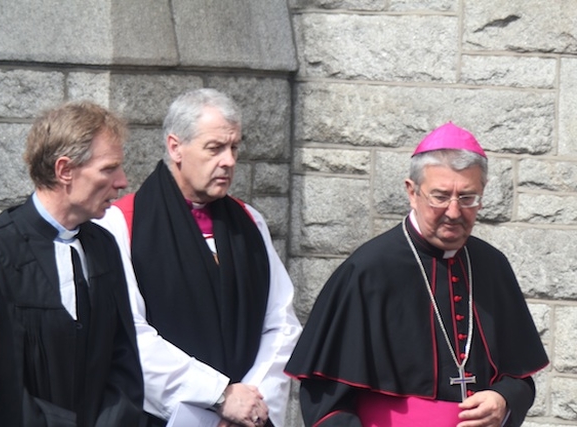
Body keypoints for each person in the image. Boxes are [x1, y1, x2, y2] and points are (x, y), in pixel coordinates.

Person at [284, 122, 549, 427]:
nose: (453, 211)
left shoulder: (493, 265)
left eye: (467, 198)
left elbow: (521, 378)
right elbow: (325, 403)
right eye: (439, 196)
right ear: (412, 192)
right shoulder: (367, 271)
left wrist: (503, 400)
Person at [95, 88, 302, 427]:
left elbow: (280, 323)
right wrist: (219, 395)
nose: (229, 161)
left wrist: (250, 401)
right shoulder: (123, 223)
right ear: (175, 147)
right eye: (215, 148)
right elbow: (129, 334)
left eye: (234, 147)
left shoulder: (249, 222)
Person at [0, 101, 147, 426]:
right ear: (65, 170)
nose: (122, 181)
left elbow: (123, 363)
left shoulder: (103, 248)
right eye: (109, 168)